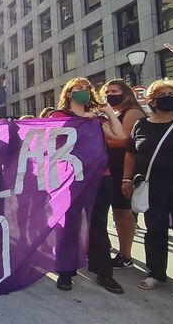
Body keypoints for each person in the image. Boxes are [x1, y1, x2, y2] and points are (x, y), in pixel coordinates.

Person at [50, 77, 126, 294]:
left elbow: (120, 136)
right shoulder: (59, 116)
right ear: (69, 93)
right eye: (78, 88)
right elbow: (50, 141)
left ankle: (104, 273)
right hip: (72, 179)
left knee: (98, 224)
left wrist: (109, 113)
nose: (83, 91)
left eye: (87, 88)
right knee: (70, 223)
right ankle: (66, 271)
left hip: (101, 178)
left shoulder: (97, 119)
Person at [122, 78, 173, 290]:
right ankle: (156, 273)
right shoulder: (141, 124)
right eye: (162, 96)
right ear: (152, 101)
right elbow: (131, 153)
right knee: (155, 230)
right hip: (152, 187)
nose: (168, 99)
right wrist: (127, 178)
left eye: (171, 95)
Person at [100, 79, 147, 270]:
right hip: (110, 166)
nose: (110, 94)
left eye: (114, 90)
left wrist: (97, 136)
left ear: (125, 93)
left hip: (123, 167)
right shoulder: (114, 113)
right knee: (115, 211)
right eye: (107, 91)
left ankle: (125, 255)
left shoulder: (132, 112)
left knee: (123, 211)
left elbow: (123, 141)